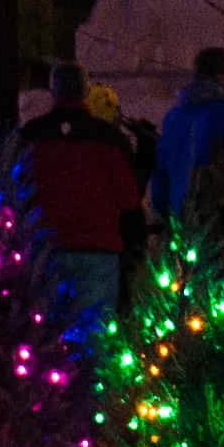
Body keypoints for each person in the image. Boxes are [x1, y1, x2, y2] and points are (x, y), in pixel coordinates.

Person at [17, 62, 143, 324]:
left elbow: (18, 193)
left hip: (45, 249)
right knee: (96, 336)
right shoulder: (109, 139)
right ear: (86, 91)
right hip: (98, 249)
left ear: (53, 91)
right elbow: (128, 199)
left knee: (49, 336)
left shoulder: (29, 137)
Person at [153, 47, 224, 225]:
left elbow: (161, 164)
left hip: (176, 205)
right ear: (219, 75)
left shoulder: (174, 115)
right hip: (212, 208)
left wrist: (161, 207)